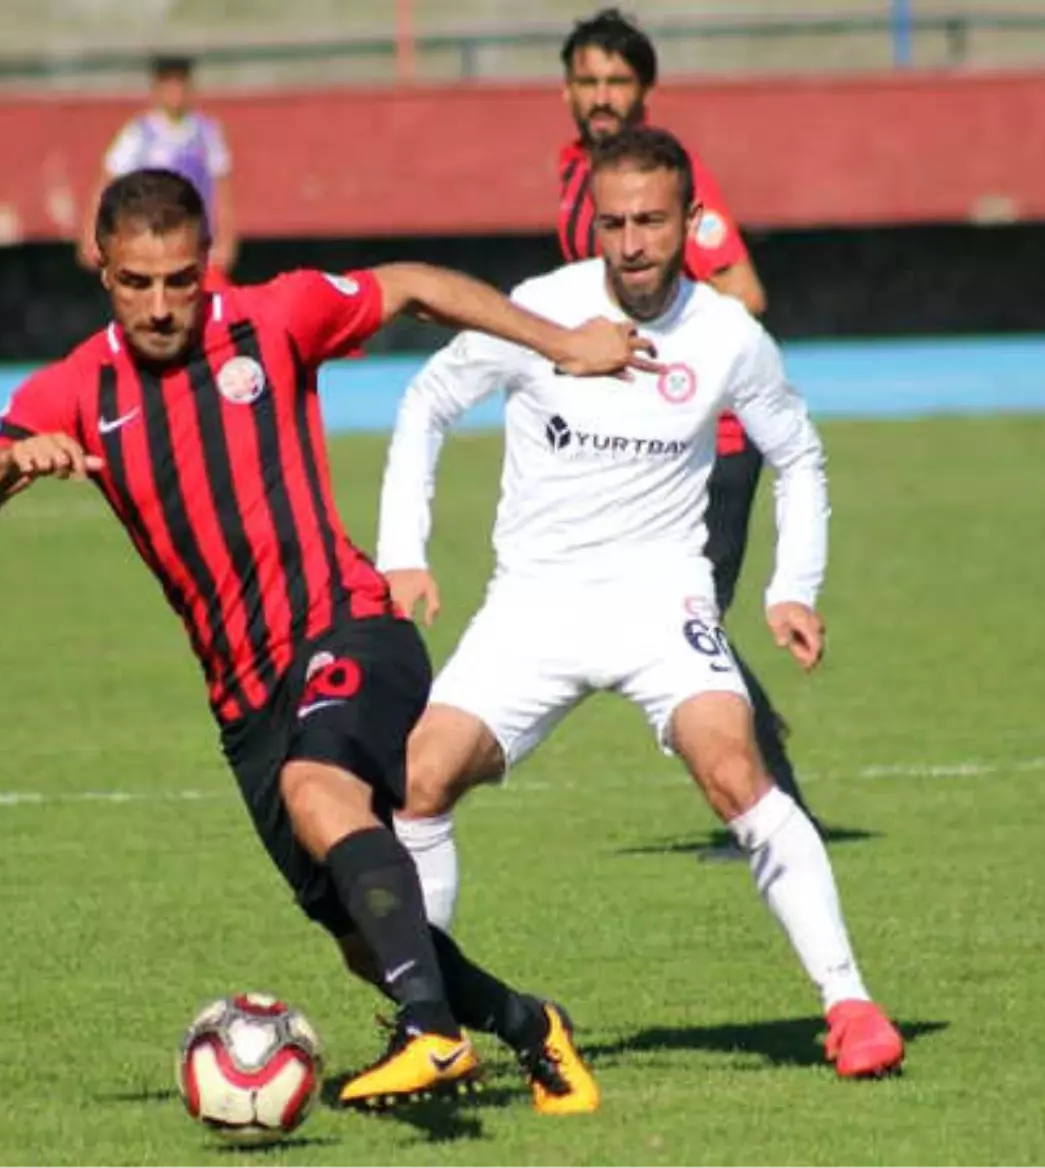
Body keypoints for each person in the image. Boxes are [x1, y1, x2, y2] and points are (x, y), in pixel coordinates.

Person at [0, 169, 656, 1111]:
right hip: (244, 702)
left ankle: (432, 1036)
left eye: (180, 279)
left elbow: (415, 286)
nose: (161, 305)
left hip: (347, 623)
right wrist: (3, 467)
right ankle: (531, 1028)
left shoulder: (273, 319)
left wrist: (564, 344)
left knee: (320, 791)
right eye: (137, 282)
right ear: (102, 272)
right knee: (366, 941)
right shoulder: (75, 386)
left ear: (209, 263)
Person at [377, 127, 905, 1079]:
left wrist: (794, 588)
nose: (630, 243)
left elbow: (798, 453)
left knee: (734, 770)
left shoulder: (730, 337)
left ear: (691, 221)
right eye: (613, 222)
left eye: (651, 221)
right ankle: (427, 1027)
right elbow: (425, 404)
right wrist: (403, 554)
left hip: (662, 602)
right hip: (532, 605)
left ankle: (852, 1006)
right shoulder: (538, 311)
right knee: (419, 781)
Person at [553, 8, 818, 857]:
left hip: (716, 442)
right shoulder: (576, 176)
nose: (601, 98)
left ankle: (775, 809)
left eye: (617, 82)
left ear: (645, 91)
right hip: (643, 443)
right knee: (682, 617)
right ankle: (765, 781)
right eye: (588, 81)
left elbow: (745, 289)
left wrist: (664, 347)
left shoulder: (674, 181)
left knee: (684, 621)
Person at [78, 56, 238, 275]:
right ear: (157, 89)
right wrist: (91, 234)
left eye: (180, 84)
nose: (175, 93)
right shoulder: (139, 134)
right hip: (148, 242)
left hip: (193, 242)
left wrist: (227, 240)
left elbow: (222, 191)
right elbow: (107, 183)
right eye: (169, 85)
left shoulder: (206, 134)